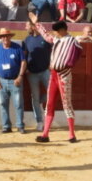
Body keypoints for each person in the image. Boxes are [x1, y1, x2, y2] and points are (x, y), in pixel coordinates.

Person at [31, 13, 82, 143]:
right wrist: (37, 23)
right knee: (50, 103)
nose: (55, 34)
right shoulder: (57, 39)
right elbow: (46, 35)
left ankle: (72, 135)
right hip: (54, 74)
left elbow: (78, 49)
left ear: (63, 30)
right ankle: (45, 134)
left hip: (64, 75)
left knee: (67, 104)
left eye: (57, 31)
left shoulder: (72, 40)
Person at [0, 27, 25, 134]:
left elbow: (23, 62)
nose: (5, 38)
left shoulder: (17, 48)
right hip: (2, 81)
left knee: (18, 104)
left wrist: (20, 76)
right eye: (3, 36)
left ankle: (20, 126)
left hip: (15, 80)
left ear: (10, 36)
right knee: (3, 104)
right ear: (1, 38)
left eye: (6, 36)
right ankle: (6, 126)